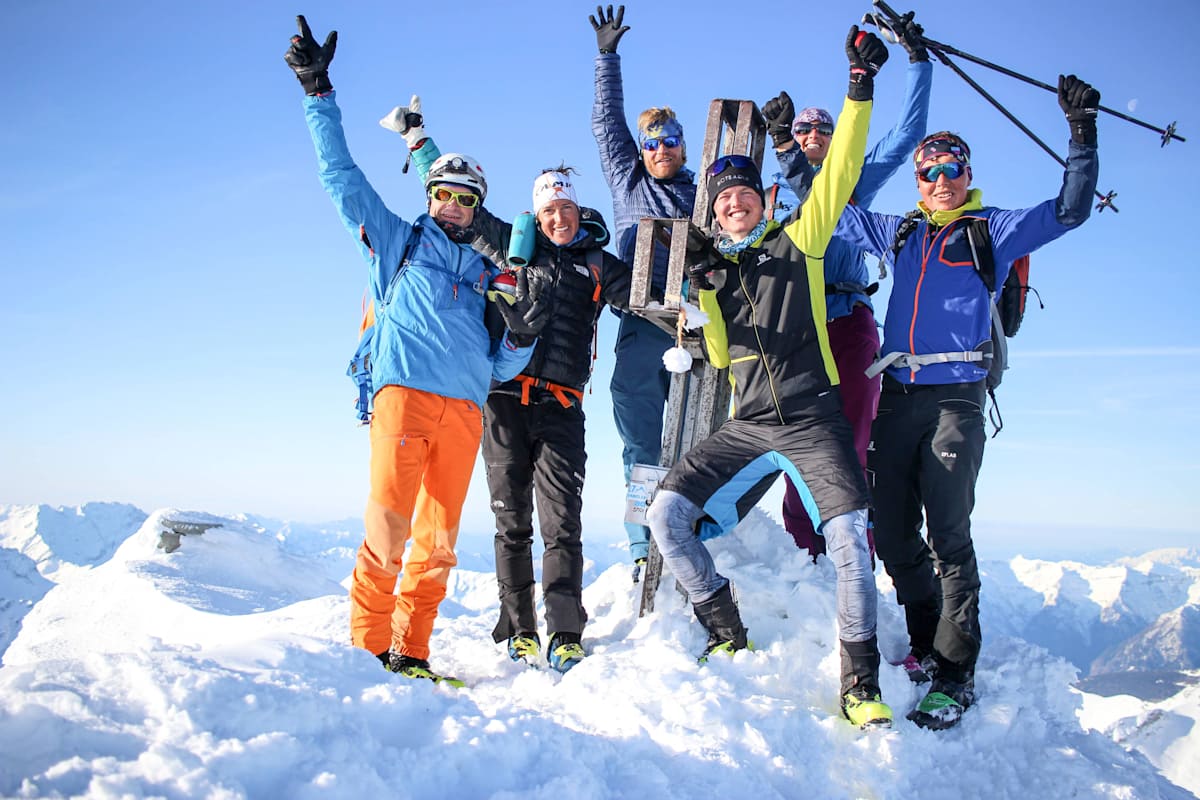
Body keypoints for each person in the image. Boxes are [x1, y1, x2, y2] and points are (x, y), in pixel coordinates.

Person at [645, 28, 895, 729]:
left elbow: (840, 171)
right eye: (722, 202)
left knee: (849, 536)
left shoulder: (800, 241)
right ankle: (725, 631)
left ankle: (859, 683)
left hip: (814, 417)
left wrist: (858, 87)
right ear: (714, 213)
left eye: (743, 197)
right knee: (666, 514)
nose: (733, 206)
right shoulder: (718, 274)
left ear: (761, 200)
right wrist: (710, 298)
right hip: (748, 422)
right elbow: (723, 360)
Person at [835, 75, 1102, 729]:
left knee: (949, 535)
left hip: (956, 397)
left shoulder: (991, 230)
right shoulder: (900, 233)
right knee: (895, 536)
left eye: (950, 169)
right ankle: (927, 647)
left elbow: (1069, 210)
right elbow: (833, 208)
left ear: (966, 173)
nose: (939, 180)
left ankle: (956, 676)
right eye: (928, 172)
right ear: (918, 181)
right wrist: (790, 147)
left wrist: (1081, 134)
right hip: (897, 394)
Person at [283, 16, 537, 685]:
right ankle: (368, 654)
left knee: (439, 543)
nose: (452, 205)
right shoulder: (398, 243)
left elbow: (501, 365)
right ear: (429, 198)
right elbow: (342, 179)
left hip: (465, 413)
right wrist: (318, 94)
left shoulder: (490, 276)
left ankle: (413, 650)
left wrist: (521, 332)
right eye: (443, 195)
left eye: (464, 199)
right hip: (404, 395)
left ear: (475, 206)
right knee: (390, 530)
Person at [381, 103, 641, 674]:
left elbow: (642, 296)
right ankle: (519, 628)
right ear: (536, 212)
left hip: (564, 407)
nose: (558, 219)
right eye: (549, 209)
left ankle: (566, 632)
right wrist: (418, 139)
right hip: (503, 403)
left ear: (579, 209)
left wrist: (693, 290)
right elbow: (457, 195)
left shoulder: (598, 263)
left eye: (566, 208)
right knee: (511, 522)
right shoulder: (511, 246)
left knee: (562, 522)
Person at [760, 11, 933, 561]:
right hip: (796, 325)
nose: (812, 135)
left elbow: (908, 133)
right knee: (796, 436)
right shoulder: (776, 192)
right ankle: (802, 550)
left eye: (822, 129)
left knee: (856, 433)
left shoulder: (854, 175)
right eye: (802, 129)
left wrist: (917, 61)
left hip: (850, 317)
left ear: (837, 137)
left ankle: (854, 545)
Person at [589, 5, 697, 580]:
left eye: (671, 142)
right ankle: (641, 544)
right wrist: (608, 58)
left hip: (692, 322)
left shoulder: (702, 196)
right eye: (653, 142)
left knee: (697, 431)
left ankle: (692, 526)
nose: (661, 150)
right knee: (638, 432)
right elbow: (608, 126)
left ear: (684, 147)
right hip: (638, 318)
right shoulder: (629, 181)